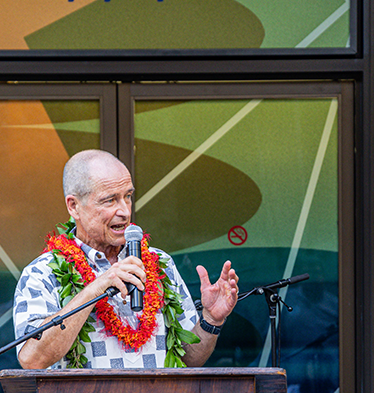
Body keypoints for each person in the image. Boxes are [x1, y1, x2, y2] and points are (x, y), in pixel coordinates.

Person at [14, 149, 239, 369]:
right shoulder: (43, 273)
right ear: (74, 206)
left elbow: (189, 358)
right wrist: (95, 289)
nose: (125, 211)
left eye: (128, 197)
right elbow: (33, 360)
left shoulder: (160, 263)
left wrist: (211, 320)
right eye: (110, 200)